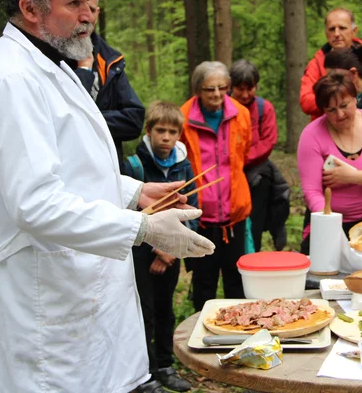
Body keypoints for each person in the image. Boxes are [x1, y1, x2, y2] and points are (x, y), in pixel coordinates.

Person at [0, 0, 215, 392]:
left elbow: (71, 169)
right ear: (31, 9)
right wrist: (143, 228)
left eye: (90, 4)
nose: (88, 17)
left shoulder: (52, 63)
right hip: (45, 299)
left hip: (82, 289)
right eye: (74, 4)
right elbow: (34, 202)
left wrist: (134, 190)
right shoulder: (11, 81)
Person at [124, 102, 195, 393]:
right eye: (160, 131)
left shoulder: (184, 164)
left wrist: (170, 252)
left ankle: (165, 365)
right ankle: (146, 371)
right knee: (144, 310)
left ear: (180, 134)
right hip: (141, 252)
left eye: (172, 131)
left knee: (166, 309)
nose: (166, 137)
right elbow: (127, 211)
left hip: (171, 252)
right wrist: (156, 248)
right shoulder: (134, 165)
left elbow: (192, 209)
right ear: (148, 131)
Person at [297, 70, 362, 254]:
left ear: (355, 98)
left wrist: (351, 176)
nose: (340, 114)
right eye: (331, 110)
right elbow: (312, 192)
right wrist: (329, 225)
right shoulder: (312, 135)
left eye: (344, 105)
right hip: (328, 226)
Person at [181, 61, 252, 312]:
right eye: (210, 89)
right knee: (203, 284)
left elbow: (243, 153)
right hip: (201, 217)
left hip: (235, 215)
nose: (217, 95)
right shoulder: (184, 118)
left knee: (237, 282)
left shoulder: (241, 114)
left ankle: (240, 337)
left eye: (223, 88)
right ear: (198, 90)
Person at [75, 0, 145, 172]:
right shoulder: (53, 57)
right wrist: (84, 71)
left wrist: (88, 120)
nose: (85, 16)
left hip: (109, 170)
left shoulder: (110, 59)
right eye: (76, 6)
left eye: (90, 9)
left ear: (97, 13)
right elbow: (65, 121)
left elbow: (134, 120)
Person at [230, 59, 289, 252]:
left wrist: (241, 160)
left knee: (255, 221)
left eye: (251, 88)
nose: (246, 95)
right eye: (240, 89)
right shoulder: (222, 108)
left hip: (256, 174)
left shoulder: (265, 109)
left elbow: (267, 142)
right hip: (227, 175)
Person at [300, 8, 362, 121]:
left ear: (354, 31)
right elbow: (306, 101)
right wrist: (335, 101)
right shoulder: (316, 63)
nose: (337, 34)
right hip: (327, 128)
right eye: (332, 29)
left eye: (342, 28)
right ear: (326, 33)